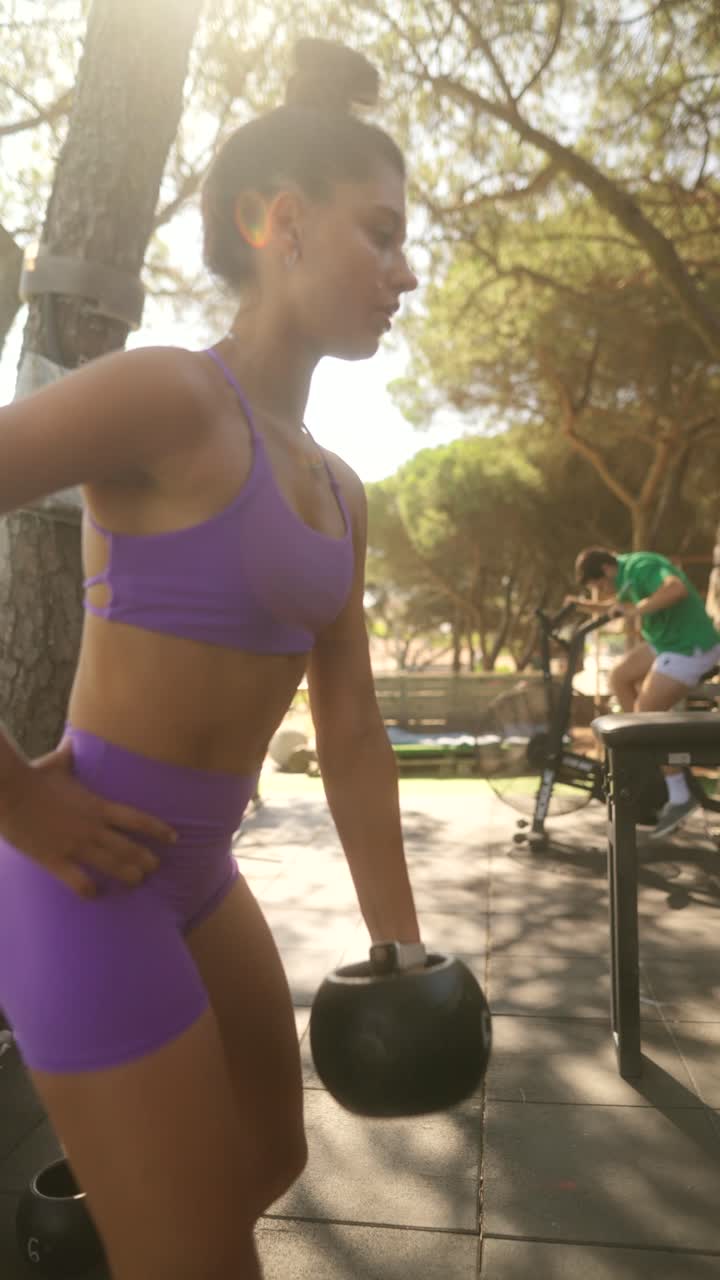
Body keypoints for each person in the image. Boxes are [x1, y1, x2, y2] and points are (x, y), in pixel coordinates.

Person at [0, 40, 423, 1280]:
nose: (407, 273)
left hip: (198, 872)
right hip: (82, 884)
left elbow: (350, 729)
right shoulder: (171, 398)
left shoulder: (341, 491)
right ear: (278, 220)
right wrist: (18, 798)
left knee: (266, 1157)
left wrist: (402, 944)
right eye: (381, 234)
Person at [570, 546, 720, 838]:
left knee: (644, 716)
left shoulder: (642, 567)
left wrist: (636, 610)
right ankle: (654, 759)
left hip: (691, 646)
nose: (601, 592)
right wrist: (580, 604)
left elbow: (675, 589)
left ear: (606, 569)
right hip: (667, 643)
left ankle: (679, 795)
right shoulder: (624, 577)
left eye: (600, 585)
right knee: (619, 678)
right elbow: (615, 605)